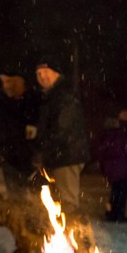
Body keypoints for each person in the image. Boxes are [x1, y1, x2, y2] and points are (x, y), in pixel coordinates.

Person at [33, 56, 90, 211]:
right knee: (58, 202)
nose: (42, 76)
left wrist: (43, 149)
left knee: (68, 202)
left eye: (46, 72)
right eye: (39, 73)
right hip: (59, 155)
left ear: (57, 73)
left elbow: (62, 129)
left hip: (67, 156)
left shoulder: (64, 95)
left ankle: (74, 233)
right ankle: (64, 232)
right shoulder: (51, 95)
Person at [0, 66, 40, 202]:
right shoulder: (2, 102)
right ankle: (19, 221)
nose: (6, 86)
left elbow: (38, 124)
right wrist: (0, 151)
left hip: (30, 157)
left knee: (35, 196)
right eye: (4, 82)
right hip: (10, 157)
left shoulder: (32, 100)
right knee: (15, 197)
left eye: (8, 82)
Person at [97, 117, 127, 222]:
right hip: (124, 170)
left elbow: (101, 156)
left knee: (115, 192)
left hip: (111, 171)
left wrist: (104, 170)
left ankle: (111, 213)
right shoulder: (122, 137)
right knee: (122, 193)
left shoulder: (104, 138)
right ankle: (119, 215)